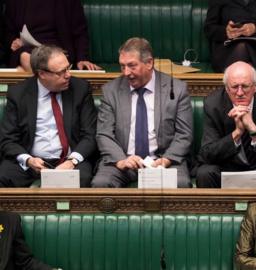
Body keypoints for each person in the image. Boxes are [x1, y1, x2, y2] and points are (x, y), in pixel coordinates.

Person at [93, 37, 193, 188]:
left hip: (164, 160)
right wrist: (121, 160)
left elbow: (184, 134)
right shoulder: (111, 91)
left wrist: (165, 160)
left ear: (149, 63)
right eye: (122, 66)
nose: (126, 72)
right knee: (101, 183)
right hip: (124, 160)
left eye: (132, 66)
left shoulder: (177, 89)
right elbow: (104, 133)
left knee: (180, 184)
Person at [0, 45, 97, 187]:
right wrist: (28, 160)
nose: (68, 75)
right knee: (3, 176)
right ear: (42, 74)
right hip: (31, 163)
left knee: (83, 178)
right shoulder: (19, 94)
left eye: (68, 68)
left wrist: (72, 161)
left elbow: (90, 134)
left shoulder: (80, 89)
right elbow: (8, 139)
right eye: (61, 72)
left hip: (70, 160)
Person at [196, 61, 256, 188]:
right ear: (227, 89)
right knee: (204, 173)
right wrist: (237, 133)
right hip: (227, 167)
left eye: (245, 86)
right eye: (234, 87)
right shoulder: (213, 104)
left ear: (255, 87)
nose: (240, 93)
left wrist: (253, 130)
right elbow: (206, 154)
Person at [5, 0, 101, 72]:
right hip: (26, 49)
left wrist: (82, 58)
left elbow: (80, 32)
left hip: (58, 52)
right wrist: (14, 42)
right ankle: (54, 83)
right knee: (25, 56)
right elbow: (8, 31)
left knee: (22, 70)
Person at [204, 0, 256, 72]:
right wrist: (226, 31)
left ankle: (236, 81)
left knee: (243, 47)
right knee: (242, 46)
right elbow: (209, 28)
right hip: (227, 49)